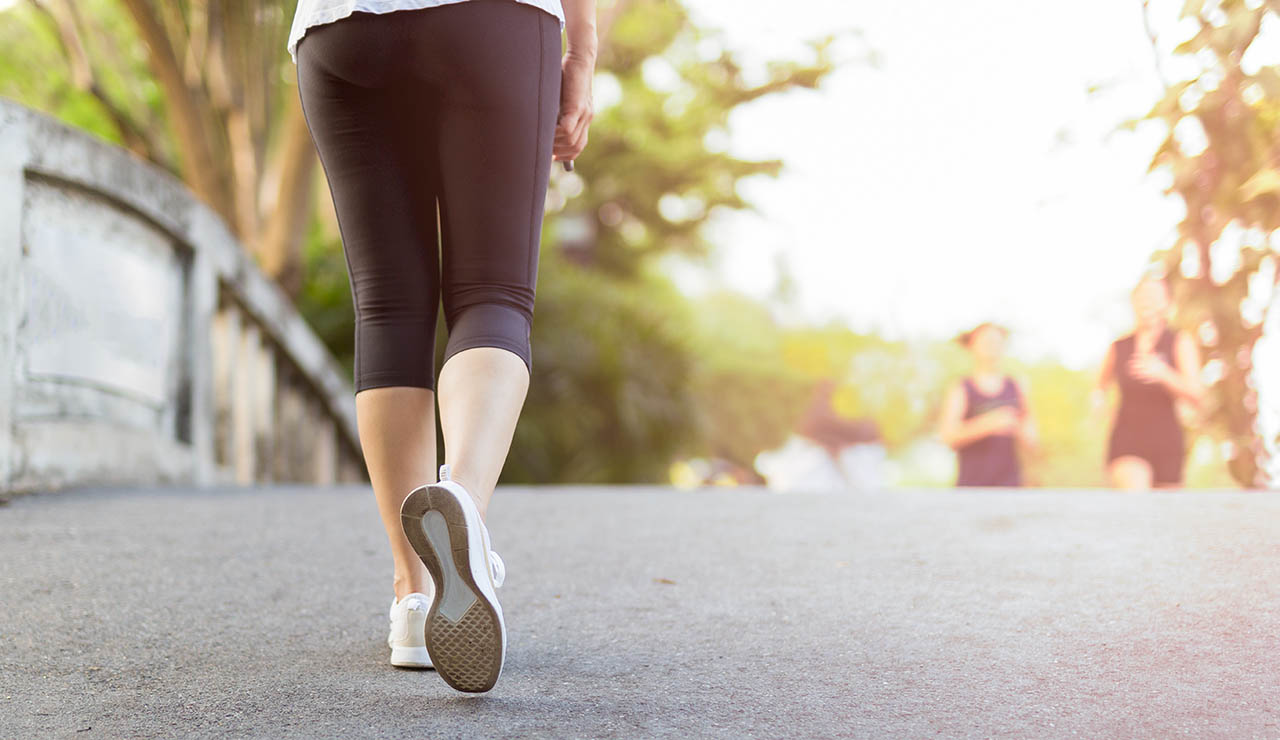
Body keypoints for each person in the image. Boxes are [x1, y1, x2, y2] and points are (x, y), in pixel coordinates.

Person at [289, 0, 597, 693]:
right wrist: (583, 49)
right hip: (492, 23)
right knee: (493, 296)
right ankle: (462, 507)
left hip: (339, 32)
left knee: (389, 307)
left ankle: (413, 597)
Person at [1095, 275, 1203, 490]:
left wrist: (1163, 373)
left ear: (1167, 303)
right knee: (1138, 500)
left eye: (1154, 296)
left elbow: (1197, 394)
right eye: (1142, 296)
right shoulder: (1119, 347)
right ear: (1134, 302)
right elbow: (1100, 386)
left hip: (1167, 439)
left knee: (1164, 514)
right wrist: (1099, 403)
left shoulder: (1179, 342)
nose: (1147, 301)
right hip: (1127, 437)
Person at [937, 323, 1039, 487]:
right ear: (972, 346)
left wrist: (1019, 429)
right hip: (972, 487)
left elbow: (1033, 440)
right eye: (986, 342)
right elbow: (947, 437)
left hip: (1010, 486)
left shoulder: (1016, 386)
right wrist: (989, 424)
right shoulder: (962, 388)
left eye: (997, 342)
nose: (992, 347)